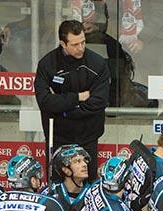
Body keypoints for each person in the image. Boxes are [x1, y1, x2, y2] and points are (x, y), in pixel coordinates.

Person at [34, 20, 110, 182]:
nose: (81, 48)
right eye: (75, 44)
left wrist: (63, 108)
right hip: (58, 136)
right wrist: (78, 98)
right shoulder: (47, 65)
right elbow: (45, 101)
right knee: (57, 185)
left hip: (88, 136)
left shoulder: (97, 64)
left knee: (88, 185)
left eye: (83, 42)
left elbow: (99, 102)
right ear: (63, 43)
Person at [42, 144, 92, 211]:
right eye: (77, 161)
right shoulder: (49, 193)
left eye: (84, 161)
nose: (84, 165)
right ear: (65, 169)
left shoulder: (93, 193)